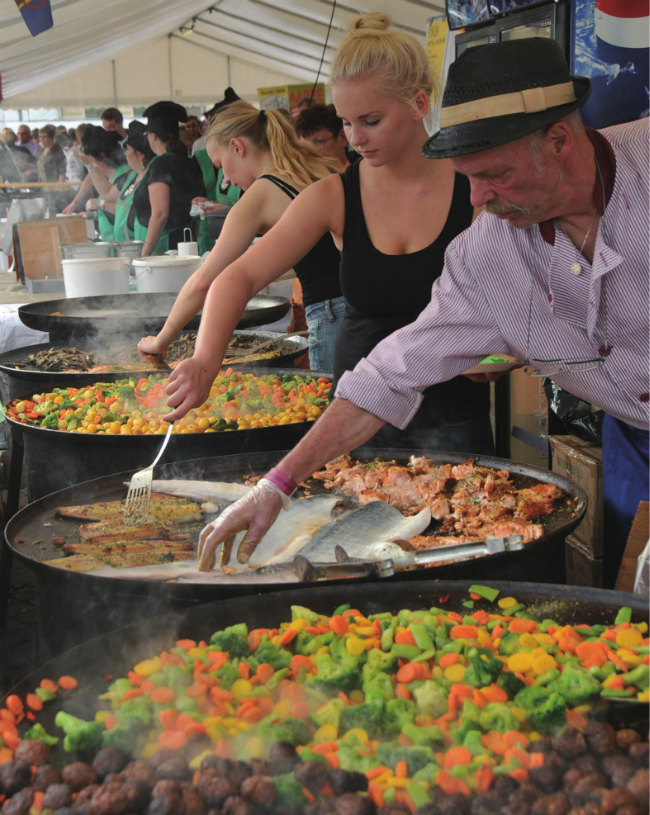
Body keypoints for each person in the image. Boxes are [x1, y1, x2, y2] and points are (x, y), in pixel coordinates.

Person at [194, 37, 649, 583]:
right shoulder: (485, 253)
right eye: (466, 175)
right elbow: (387, 375)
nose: (476, 199)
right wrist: (277, 483)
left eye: (494, 174)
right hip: (633, 438)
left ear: (557, 141)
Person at [163, 13, 491, 453]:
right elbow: (235, 278)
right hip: (355, 417)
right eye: (347, 123)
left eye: (371, 121)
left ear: (419, 102)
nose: (356, 138)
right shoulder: (332, 196)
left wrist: (497, 354)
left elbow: (518, 298)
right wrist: (205, 359)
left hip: (453, 418)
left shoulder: (476, 188)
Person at [137, 100, 344, 371]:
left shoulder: (260, 194)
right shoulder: (322, 166)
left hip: (332, 316)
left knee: (337, 406)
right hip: (367, 307)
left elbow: (204, 281)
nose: (225, 180)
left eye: (221, 165)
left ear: (237, 146)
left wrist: (161, 339)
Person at [130, 101, 205, 256]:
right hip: (185, 245)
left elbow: (159, 215)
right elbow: (196, 213)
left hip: (162, 249)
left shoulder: (159, 164)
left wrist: (144, 255)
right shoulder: (190, 162)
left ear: (153, 136)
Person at [77, 126, 130, 241]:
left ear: (102, 156)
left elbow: (125, 209)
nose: (92, 170)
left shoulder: (125, 175)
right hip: (110, 240)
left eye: (92, 162)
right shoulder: (111, 177)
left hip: (123, 242)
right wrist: (94, 215)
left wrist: (99, 204)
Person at [112, 122, 155, 242]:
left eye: (128, 150)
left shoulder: (150, 178)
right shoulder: (132, 176)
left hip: (140, 242)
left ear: (140, 155)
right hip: (124, 244)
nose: (125, 153)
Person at [295, 103, 358, 168]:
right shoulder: (301, 176)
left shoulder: (362, 173)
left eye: (319, 141)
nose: (312, 151)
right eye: (306, 145)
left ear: (342, 137)